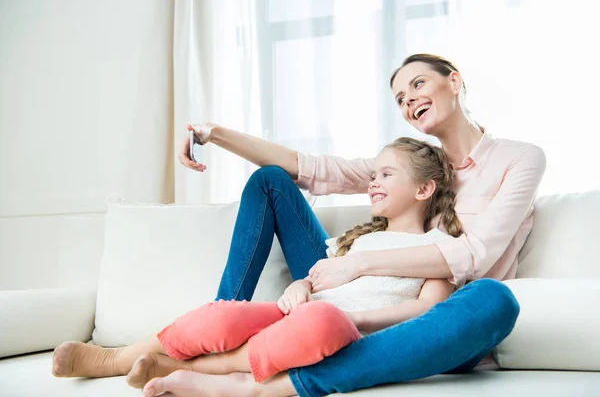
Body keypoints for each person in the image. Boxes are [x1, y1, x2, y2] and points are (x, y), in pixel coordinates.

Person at [77, 53, 548, 397]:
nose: (410, 101)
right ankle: (199, 337)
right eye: (401, 98)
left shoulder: (519, 159)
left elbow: (475, 254)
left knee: (493, 299)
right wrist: (213, 134)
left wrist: (357, 270)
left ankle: (255, 383)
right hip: (343, 289)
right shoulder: (407, 166)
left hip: (430, 319)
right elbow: (312, 167)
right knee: (270, 181)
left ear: (455, 81)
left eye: (419, 85)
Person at [52, 137, 463, 391]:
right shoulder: (361, 238)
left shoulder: (437, 247)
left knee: (318, 322)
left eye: (386, 175)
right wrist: (301, 285)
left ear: (425, 188)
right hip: (308, 309)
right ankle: (114, 358)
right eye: (373, 174)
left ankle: (181, 367)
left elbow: (431, 310)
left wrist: (353, 316)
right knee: (220, 320)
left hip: (342, 328)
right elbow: (319, 277)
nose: (372, 182)